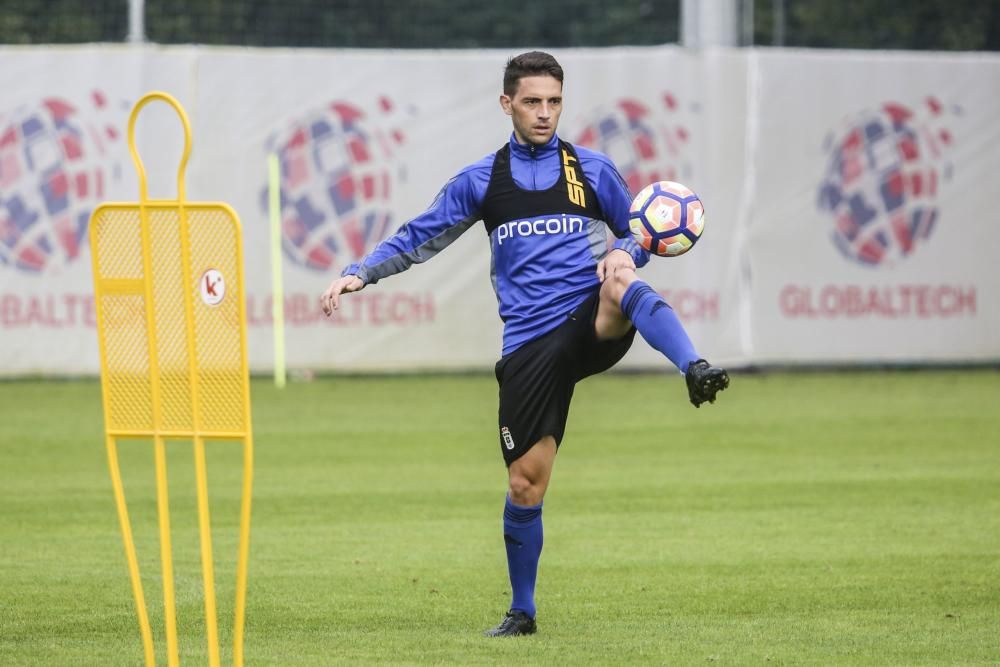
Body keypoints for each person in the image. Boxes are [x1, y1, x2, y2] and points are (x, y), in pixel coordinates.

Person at [321, 51, 729, 637]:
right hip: (531, 345)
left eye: (554, 101)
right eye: (533, 101)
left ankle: (693, 365)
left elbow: (638, 231)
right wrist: (363, 271)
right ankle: (523, 611)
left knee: (620, 278)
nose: (544, 113)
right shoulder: (482, 181)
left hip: (590, 321)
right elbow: (421, 233)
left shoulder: (591, 169)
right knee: (524, 484)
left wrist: (626, 250)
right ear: (507, 103)